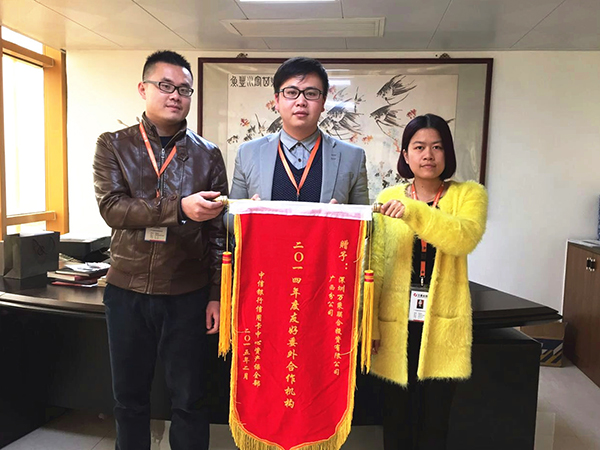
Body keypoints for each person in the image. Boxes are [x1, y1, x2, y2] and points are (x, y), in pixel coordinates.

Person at [93, 50, 228, 450]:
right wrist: (179, 209)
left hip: (187, 291)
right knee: (129, 398)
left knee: (190, 398)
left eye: (184, 89)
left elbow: (218, 233)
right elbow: (112, 208)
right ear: (143, 88)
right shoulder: (113, 144)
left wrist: (216, 292)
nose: (176, 95)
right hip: (127, 289)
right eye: (165, 86)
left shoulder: (208, 154)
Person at [369, 113, 488, 449]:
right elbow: (376, 264)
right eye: (419, 147)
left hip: (442, 324)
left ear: (447, 153)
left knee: (435, 421)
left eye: (437, 147)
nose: (428, 155)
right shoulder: (388, 196)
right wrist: (371, 324)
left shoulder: (469, 194)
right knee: (395, 418)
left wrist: (413, 211)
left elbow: (462, 238)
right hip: (394, 324)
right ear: (405, 154)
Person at [228, 57, 369, 205]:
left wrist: (344, 216)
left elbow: (365, 217)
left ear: (323, 102)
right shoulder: (247, 153)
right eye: (291, 92)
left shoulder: (352, 157)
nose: (301, 102)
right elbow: (230, 214)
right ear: (277, 100)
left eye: (311, 93)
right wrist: (246, 213)